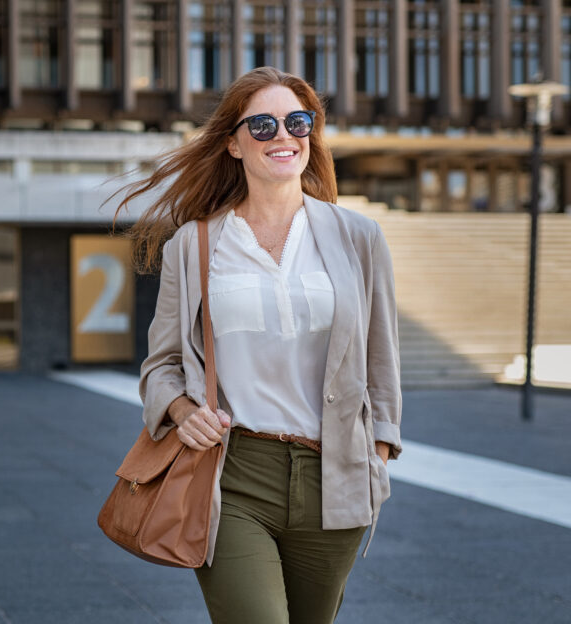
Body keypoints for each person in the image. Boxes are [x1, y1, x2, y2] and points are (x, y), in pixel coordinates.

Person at [113, 67, 402, 623]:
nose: (283, 136)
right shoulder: (193, 245)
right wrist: (180, 409)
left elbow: (381, 357)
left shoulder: (357, 237)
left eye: (297, 121)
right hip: (233, 474)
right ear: (233, 143)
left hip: (335, 475)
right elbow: (162, 364)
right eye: (263, 124)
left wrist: (379, 452)